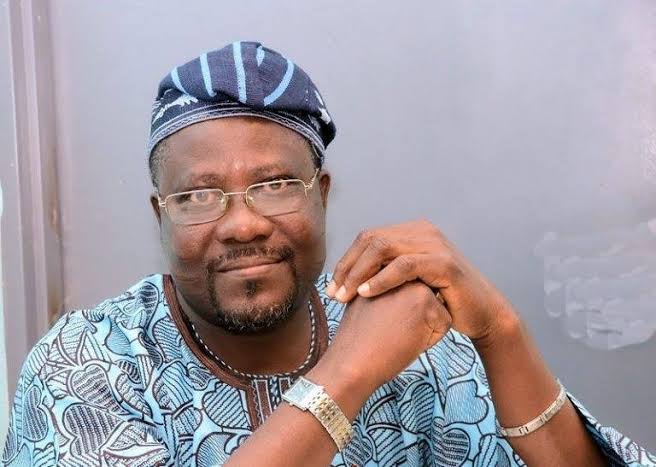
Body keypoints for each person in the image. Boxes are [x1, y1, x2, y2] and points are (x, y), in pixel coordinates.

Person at [2, 41, 654, 467]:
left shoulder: (417, 344)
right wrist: (347, 375)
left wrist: (499, 331)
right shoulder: (87, 363)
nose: (242, 224)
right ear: (161, 215)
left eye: (276, 185)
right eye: (199, 195)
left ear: (321, 194)